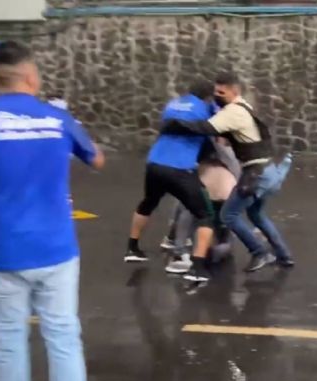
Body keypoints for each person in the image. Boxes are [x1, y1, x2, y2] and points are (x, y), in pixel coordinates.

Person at [0, 40, 104, 381]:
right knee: (63, 331)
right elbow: (97, 160)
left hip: (1, 249)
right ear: (29, 76)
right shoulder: (57, 118)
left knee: (6, 334)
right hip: (56, 248)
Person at [161, 72, 293, 281]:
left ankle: (260, 253)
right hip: (269, 170)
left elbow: (206, 128)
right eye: (215, 93)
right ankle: (284, 257)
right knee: (257, 215)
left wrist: (177, 124)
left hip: (256, 174)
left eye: (221, 93)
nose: (217, 97)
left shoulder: (233, 112)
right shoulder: (243, 107)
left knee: (227, 215)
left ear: (235, 91)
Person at [124, 80, 216, 279]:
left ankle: (132, 248)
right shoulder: (206, 108)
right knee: (205, 215)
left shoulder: (173, 105)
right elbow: (213, 133)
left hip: (154, 163)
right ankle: (197, 268)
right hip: (180, 168)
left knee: (148, 202)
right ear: (208, 97)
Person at [165, 138, 240, 273]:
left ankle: (179, 251)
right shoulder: (226, 158)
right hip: (225, 199)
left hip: (216, 197)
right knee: (222, 233)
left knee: (187, 210)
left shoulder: (213, 157)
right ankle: (185, 248)